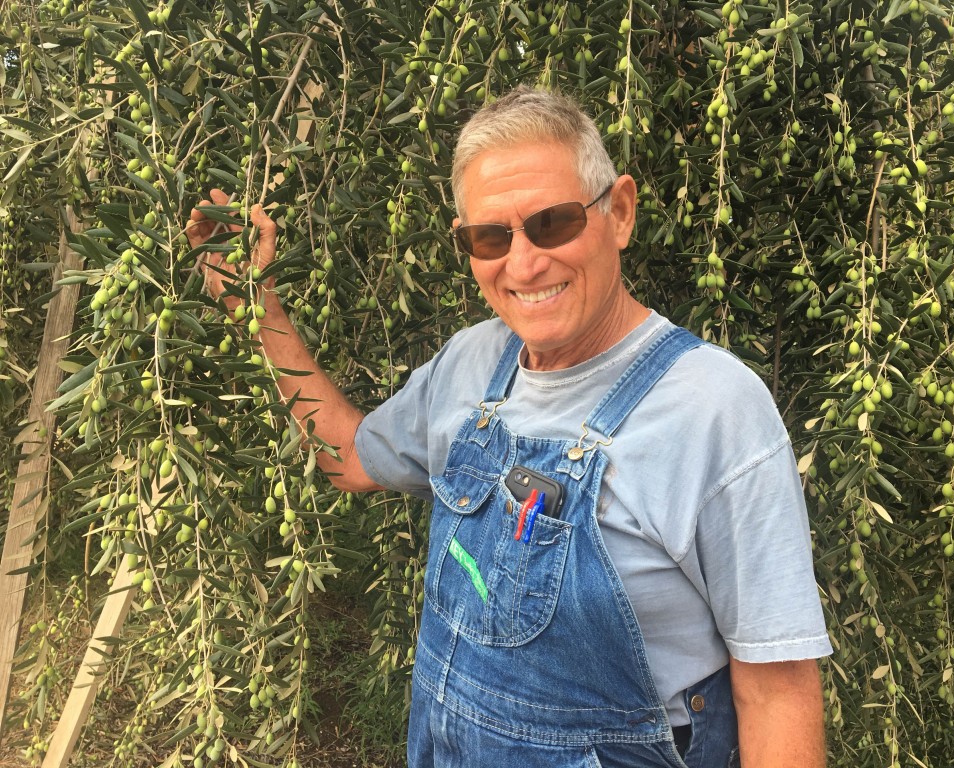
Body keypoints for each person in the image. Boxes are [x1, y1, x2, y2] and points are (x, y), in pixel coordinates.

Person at [188, 86, 832, 768]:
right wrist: (252, 303)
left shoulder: (716, 410)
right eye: (491, 237)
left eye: (552, 223)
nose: (523, 264)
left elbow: (778, 694)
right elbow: (346, 455)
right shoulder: (470, 363)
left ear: (619, 211)